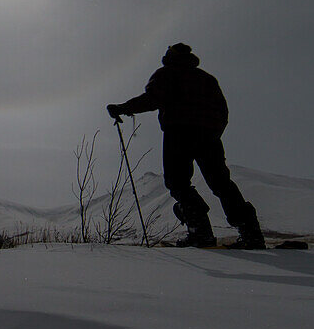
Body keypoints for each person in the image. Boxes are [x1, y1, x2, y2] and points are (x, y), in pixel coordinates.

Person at [107, 43, 265, 248]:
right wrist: (213, 132)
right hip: (209, 136)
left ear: (169, 57)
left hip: (179, 133)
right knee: (220, 182)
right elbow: (222, 111)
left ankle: (200, 232)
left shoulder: (167, 73)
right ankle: (251, 232)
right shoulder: (207, 79)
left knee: (178, 182)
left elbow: (153, 99)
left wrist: (122, 108)